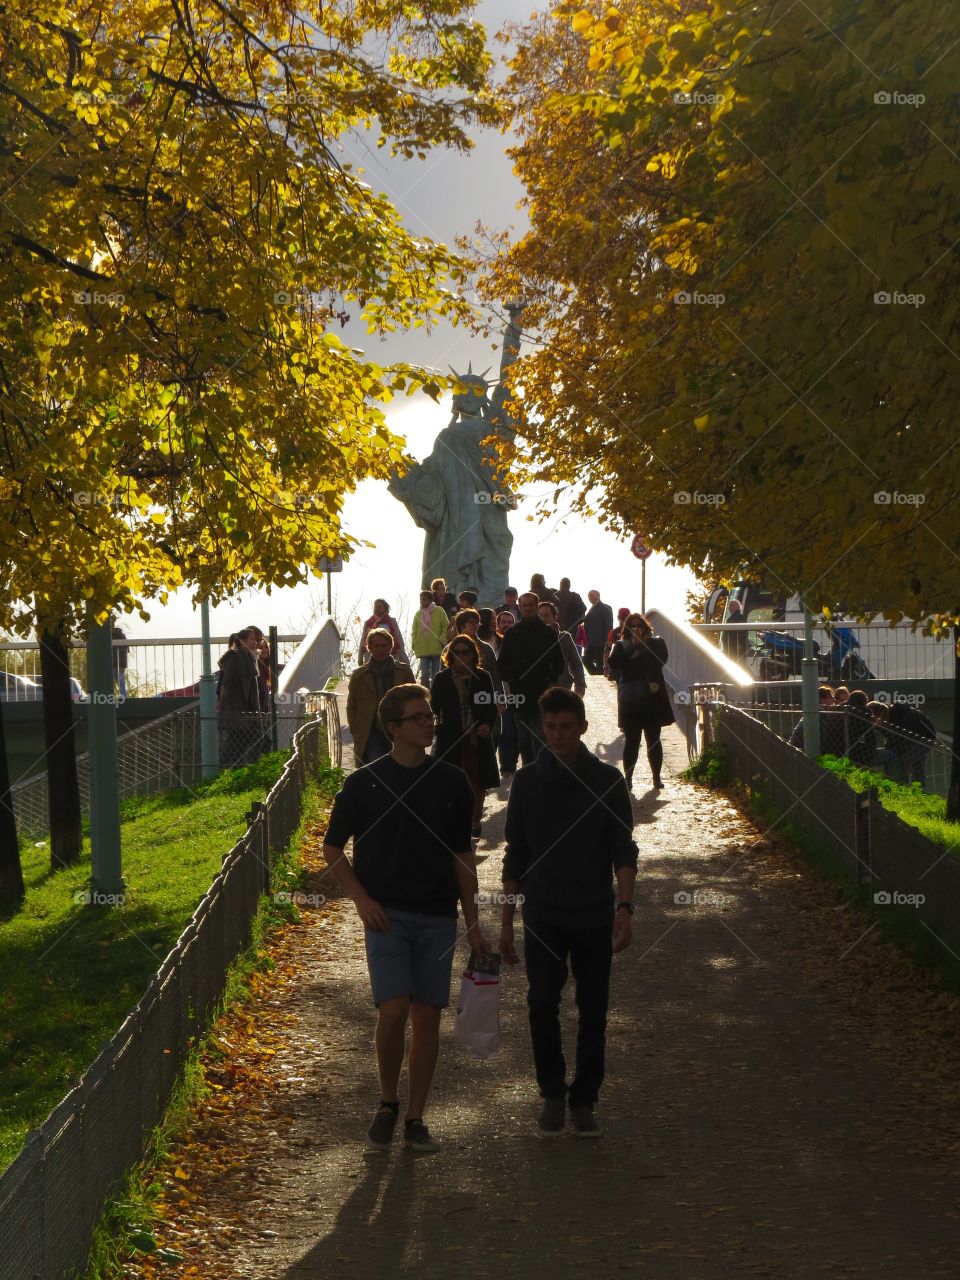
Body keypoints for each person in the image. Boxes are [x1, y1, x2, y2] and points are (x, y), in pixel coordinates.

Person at [323, 683, 491, 1153]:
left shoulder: (452, 781)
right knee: (393, 1010)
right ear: (392, 728)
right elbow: (332, 849)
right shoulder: (363, 783)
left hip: (438, 915)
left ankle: (416, 1117)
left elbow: (463, 857)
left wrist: (475, 926)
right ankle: (388, 1102)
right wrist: (361, 900)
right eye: (418, 717)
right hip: (386, 917)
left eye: (430, 715)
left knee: (426, 1015)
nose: (429, 722)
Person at [500, 687, 637, 1138]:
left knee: (594, 1009)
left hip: (594, 912)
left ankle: (585, 1098)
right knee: (542, 1003)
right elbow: (515, 853)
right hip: (542, 914)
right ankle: (553, 1092)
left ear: (582, 727)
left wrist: (624, 907)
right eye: (550, 727)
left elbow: (623, 850)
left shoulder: (606, 782)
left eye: (565, 727)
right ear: (543, 729)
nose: (556, 735)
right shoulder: (527, 782)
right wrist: (504, 922)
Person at [431, 634, 500, 837]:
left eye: (465, 652)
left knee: (477, 784)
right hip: (450, 739)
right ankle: (455, 824)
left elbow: (490, 707)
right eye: (456, 652)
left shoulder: (482, 677)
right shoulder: (442, 679)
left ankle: (475, 820)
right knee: (449, 783)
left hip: (476, 740)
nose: (461, 656)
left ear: (473, 655)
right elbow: (434, 707)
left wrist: (487, 724)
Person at [607, 613, 675, 789]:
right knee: (632, 740)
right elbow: (614, 663)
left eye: (640, 626)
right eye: (632, 626)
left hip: (653, 697)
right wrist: (632, 648)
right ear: (627, 629)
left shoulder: (656, 643)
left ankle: (656, 777)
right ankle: (628, 778)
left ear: (646, 627)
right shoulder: (621, 646)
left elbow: (661, 659)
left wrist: (643, 645)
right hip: (632, 698)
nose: (636, 629)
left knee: (653, 739)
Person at [497, 592, 565, 765]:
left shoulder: (548, 633)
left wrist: (548, 677)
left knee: (540, 735)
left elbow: (559, 663)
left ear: (536, 606)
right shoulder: (512, 633)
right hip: (519, 693)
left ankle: (543, 769)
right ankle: (529, 771)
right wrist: (512, 679)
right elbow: (502, 664)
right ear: (520, 607)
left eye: (530, 605)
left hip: (541, 692)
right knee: (524, 737)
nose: (527, 608)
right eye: (524, 605)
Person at [346, 628, 416, 767]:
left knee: (401, 767)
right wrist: (356, 729)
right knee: (375, 768)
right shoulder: (359, 675)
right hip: (371, 731)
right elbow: (351, 705)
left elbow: (414, 699)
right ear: (370, 648)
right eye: (376, 646)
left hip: (399, 729)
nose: (381, 649)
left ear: (390, 646)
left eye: (384, 646)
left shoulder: (403, 671)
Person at [217, 627, 261, 766]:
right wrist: (234, 705)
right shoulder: (234, 657)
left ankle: (235, 765)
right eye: (252, 639)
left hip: (246, 707)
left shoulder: (249, 657)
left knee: (244, 737)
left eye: (256, 639)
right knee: (236, 738)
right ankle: (224, 765)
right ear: (242, 641)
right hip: (236, 707)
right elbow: (227, 682)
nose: (255, 642)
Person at [869, 699, 938, 788]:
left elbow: (906, 739)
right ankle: (904, 787)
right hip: (911, 740)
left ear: (880, 714)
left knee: (907, 762)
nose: (873, 723)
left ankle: (906, 788)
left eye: (873, 719)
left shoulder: (899, 715)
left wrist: (907, 760)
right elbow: (891, 740)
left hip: (924, 738)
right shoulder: (883, 722)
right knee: (904, 760)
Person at [538, 601, 586, 697]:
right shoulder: (529, 637)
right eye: (540, 616)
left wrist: (580, 686)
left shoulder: (565, 637)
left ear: (555, 617)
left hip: (561, 689)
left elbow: (576, 664)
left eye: (547, 615)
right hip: (537, 691)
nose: (543, 619)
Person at [494, 610, 519, 776]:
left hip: (518, 695)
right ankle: (506, 768)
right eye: (503, 622)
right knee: (505, 732)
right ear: (498, 625)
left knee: (517, 734)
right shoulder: (492, 644)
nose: (506, 625)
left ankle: (512, 765)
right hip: (499, 696)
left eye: (509, 622)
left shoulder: (520, 644)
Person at [788, 686, 846, 754]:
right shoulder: (820, 714)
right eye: (831, 697)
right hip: (799, 751)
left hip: (796, 748)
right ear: (821, 699)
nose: (834, 700)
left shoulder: (815, 712)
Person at [411, 588, 449, 686]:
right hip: (422, 649)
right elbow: (414, 631)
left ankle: (435, 695)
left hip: (437, 648)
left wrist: (442, 639)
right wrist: (414, 643)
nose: (422, 602)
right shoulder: (418, 614)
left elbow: (446, 626)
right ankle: (426, 695)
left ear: (431, 600)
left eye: (424, 599)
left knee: (436, 674)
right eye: (421, 600)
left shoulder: (439, 611)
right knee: (424, 675)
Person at [583, 590, 613, 675]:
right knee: (586, 660)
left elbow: (608, 626)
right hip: (591, 642)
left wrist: (607, 641)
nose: (590, 598)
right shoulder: (591, 608)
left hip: (600, 643)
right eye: (589, 596)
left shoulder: (605, 608)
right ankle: (596, 673)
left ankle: (598, 674)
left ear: (598, 596)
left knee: (599, 663)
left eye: (592, 596)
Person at [603, 608, 632, 679]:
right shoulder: (636, 631)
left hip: (622, 666)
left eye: (626, 617)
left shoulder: (613, 632)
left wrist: (606, 667)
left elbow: (607, 651)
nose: (624, 619)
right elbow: (607, 650)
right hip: (627, 665)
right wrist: (606, 667)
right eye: (623, 617)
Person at [721, 598, 749, 664]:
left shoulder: (738, 617)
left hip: (734, 648)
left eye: (731, 605)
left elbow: (742, 632)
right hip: (732, 647)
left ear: (736, 607)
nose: (729, 607)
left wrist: (740, 643)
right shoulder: (736, 617)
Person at [112, 623, 129, 699]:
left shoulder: (109, 636)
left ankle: (108, 697)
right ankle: (123, 696)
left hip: (112, 662)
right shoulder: (122, 636)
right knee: (121, 680)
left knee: (108, 681)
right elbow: (126, 649)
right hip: (121, 662)